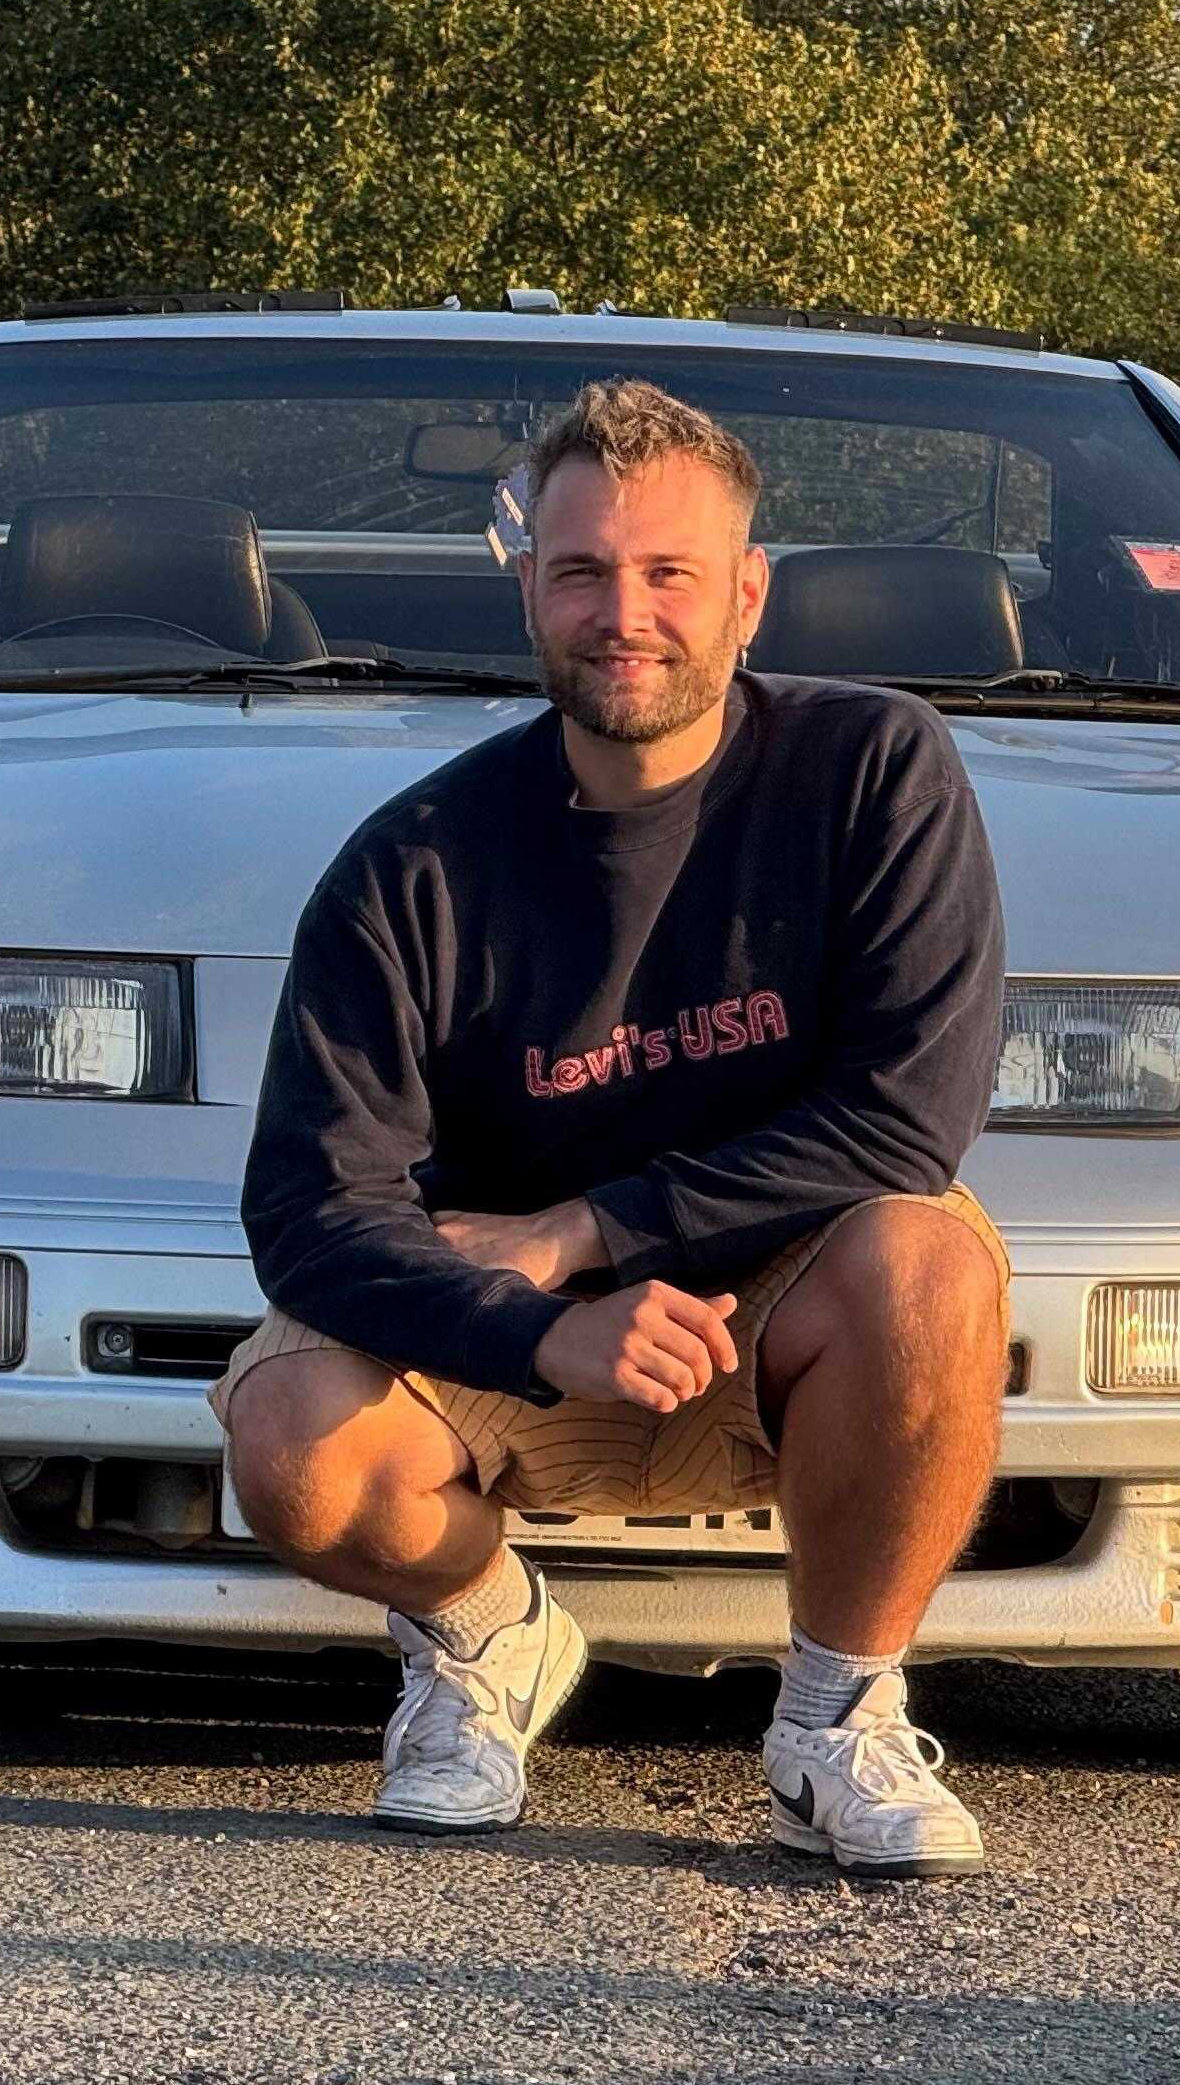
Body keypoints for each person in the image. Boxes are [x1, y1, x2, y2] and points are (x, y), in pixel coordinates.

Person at [212, 377, 1013, 1878]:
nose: (623, 614)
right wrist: (540, 1329)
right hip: (511, 1339)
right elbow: (312, 1211)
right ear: (529, 587)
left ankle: (837, 1720)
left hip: (775, 1304)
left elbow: (906, 1119)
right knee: (290, 1435)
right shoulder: (412, 865)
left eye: (668, 574)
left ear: (749, 595)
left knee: (928, 1264)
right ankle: (485, 1642)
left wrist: (586, 1231)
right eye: (581, 571)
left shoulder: (875, 771)